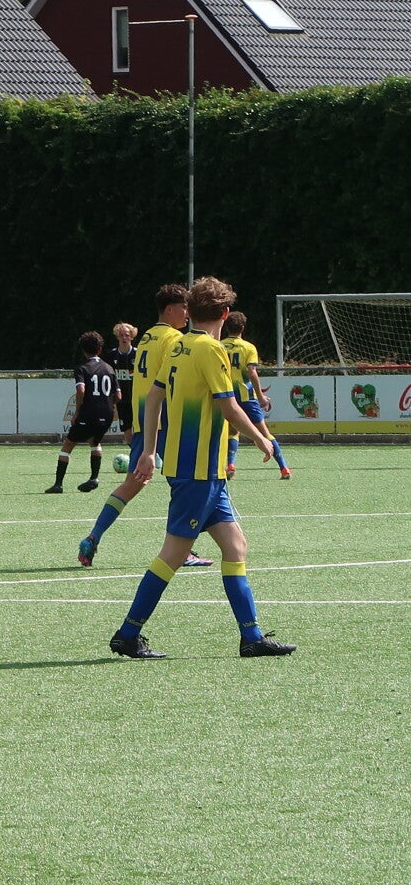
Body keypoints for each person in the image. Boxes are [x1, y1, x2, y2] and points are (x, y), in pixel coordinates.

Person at [109, 276, 297, 659]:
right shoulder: (211, 349)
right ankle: (127, 634)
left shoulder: (178, 345)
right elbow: (229, 407)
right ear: (225, 314)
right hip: (197, 472)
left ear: (191, 311)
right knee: (173, 555)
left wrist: (148, 450)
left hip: (201, 470)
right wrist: (261, 438)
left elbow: (153, 396)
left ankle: (251, 637)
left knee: (235, 546)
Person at [78, 284, 212, 569]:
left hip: (144, 423)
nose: (188, 312)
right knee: (183, 484)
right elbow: (174, 383)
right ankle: (181, 551)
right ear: (170, 309)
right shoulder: (175, 339)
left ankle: (93, 536)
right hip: (167, 423)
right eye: (184, 307)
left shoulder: (149, 337)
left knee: (132, 484)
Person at [220, 312, 292, 480]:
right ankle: (284, 468)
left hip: (227, 394)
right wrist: (260, 396)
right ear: (242, 328)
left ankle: (231, 465)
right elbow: (252, 372)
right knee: (264, 432)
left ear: (226, 327)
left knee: (232, 430)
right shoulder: (248, 347)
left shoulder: (219, 346)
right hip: (246, 395)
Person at [48, 331, 116, 494]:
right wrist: (108, 406)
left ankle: (58, 484)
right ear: (100, 349)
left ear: (84, 351)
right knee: (95, 442)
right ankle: (94, 478)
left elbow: (81, 390)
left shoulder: (82, 368)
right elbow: (118, 395)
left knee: (68, 444)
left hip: (88, 413)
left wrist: (77, 411)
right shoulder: (109, 368)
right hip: (106, 414)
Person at [104, 322, 138, 436]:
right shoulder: (111, 355)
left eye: (127, 335)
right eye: (121, 335)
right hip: (121, 401)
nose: (124, 338)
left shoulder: (138, 354)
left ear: (132, 336)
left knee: (140, 429)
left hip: (137, 399)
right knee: (126, 430)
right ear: (117, 337)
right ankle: (132, 447)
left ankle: (140, 447)